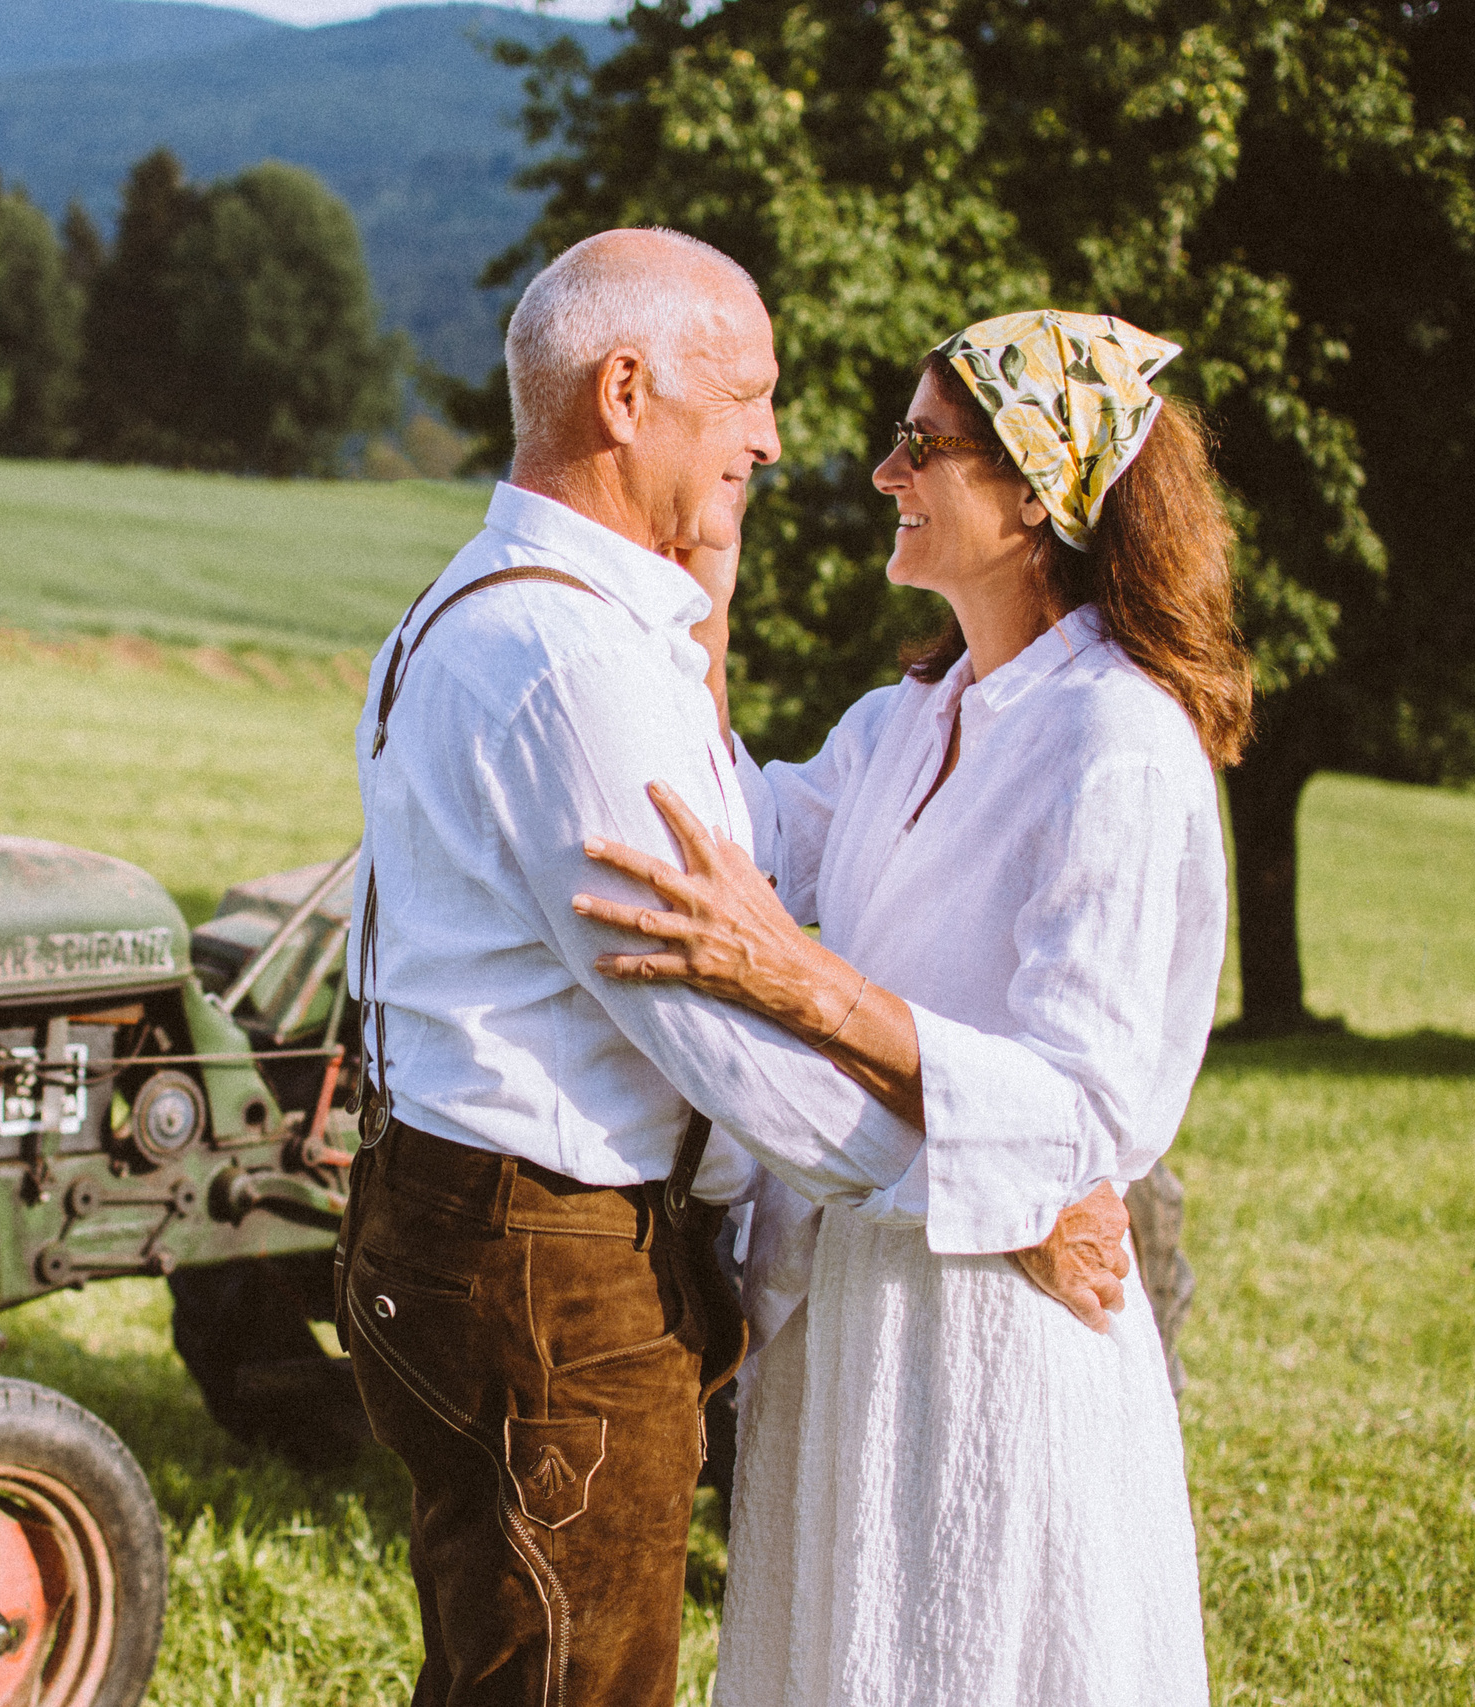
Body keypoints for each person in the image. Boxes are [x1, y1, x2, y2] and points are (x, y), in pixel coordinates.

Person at [337, 236, 1129, 1707]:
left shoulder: (529, 613)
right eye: (746, 394)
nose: (772, 436)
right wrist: (1001, 1187)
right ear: (625, 394)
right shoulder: (568, 664)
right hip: (548, 1268)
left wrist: (707, 597)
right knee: (577, 1681)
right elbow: (724, 1037)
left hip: (488, 1225)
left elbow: (749, 839)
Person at [574, 309, 1250, 1705]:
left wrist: (794, 977)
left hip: (996, 1327)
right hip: (852, 1302)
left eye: (921, 447)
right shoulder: (913, 718)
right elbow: (738, 837)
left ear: (1037, 494)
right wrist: (707, 582)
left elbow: (1083, 1111)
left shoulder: (1117, 746)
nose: (887, 475)